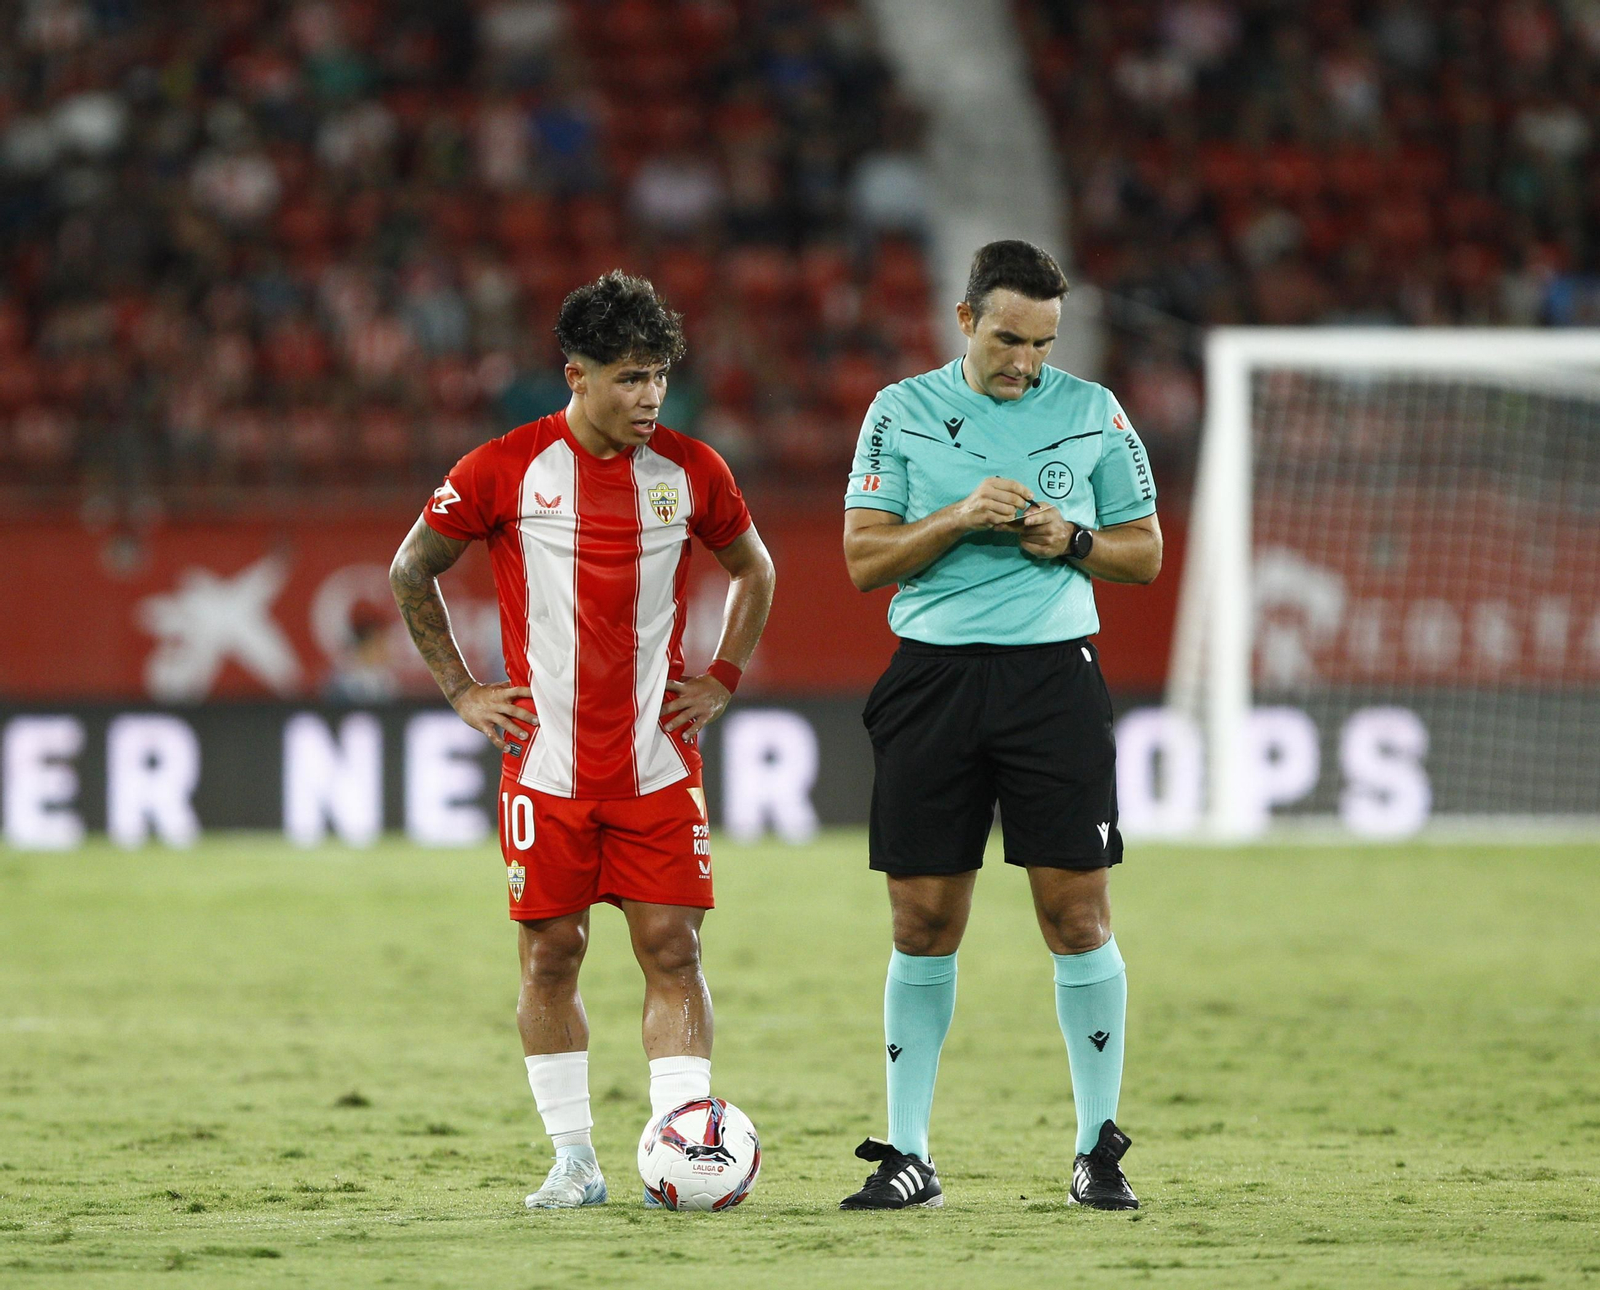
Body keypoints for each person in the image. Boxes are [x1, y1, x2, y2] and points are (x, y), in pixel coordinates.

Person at [389, 271, 775, 1210]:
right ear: (577, 375)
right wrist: (461, 688)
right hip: (545, 766)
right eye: (632, 379)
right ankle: (574, 1160)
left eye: (660, 378)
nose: (651, 399)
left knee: (673, 951)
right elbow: (412, 568)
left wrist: (722, 677)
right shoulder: (504, 468)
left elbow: (754, 569)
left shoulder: (693, 472)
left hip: (654, 766)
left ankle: (680, 1148)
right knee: (550, 957)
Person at [838, 240, 1161, 1211]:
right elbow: (862, 559)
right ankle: (907, 1153)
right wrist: (959, 517)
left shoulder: (1094, 412)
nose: (1025, 362)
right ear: (965, 320)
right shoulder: (897, 411)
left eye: (1043, 343)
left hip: (1053, 686)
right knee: (922, 921)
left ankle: (1097, 1149)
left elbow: (1142, 552)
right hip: (932, 681)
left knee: (1076, 914)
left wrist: (1073, 540)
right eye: (1009, 339)